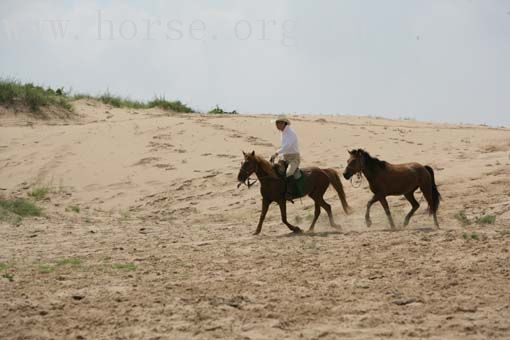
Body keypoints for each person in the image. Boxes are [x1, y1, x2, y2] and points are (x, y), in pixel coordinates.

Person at [270, 116, 301, 200]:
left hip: (294, 158)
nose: (276, 125)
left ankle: (289, 193)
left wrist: (276, 153)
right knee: (276, 170)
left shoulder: (291, 133)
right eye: (276, 123)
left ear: (283, 123)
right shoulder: (283, 133)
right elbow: (284, 147)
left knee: (288, 173)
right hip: (284, 157)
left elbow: (287, 146)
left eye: (277, 123)